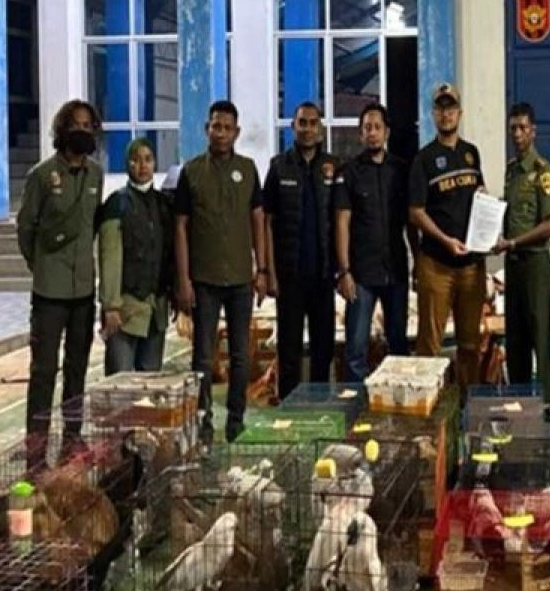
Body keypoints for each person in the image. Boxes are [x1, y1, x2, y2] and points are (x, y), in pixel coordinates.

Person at [174, 100, 268, 445]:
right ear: (207, 129)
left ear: (237, 132)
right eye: (216, 126)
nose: (221, 133)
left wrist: (262, 269)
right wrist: (183, 279)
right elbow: (180, 227)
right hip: (204, 280)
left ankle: (236, 418)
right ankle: (204, 420)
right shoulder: (191, 172)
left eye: (228, 128)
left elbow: (258, 220)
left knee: (241, 355)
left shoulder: (248, 170)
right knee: (202, 355)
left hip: (242, 278)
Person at [16, 99, 103, 465]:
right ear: (62, 129)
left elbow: (92, 226)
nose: (82, 131)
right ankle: (36, 452)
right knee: (43, 372)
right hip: (49, 292)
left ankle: (72, 439)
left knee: (77, 368)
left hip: (83, 289)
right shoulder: (41, 175)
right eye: (75, 125)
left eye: (88, 125)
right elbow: (26, 228)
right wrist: (40, 265)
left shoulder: (96, 175)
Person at [408, 83, 487, 388]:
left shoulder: (471, 153)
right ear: (433, 114)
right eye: (440, 108)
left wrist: (487, 207)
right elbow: (416, 212)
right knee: (430, 345)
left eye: (451, 108)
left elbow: (480, 194)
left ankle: (468, 404)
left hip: (471, 266)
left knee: (470, 345)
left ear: (459, 113)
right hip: (436, 264)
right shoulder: (424, 159)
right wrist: (445, 240)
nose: (446, 114)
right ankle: (428, 405)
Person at [334, 103, 418, 382]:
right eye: (367, 128)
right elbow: (342, 223)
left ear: (387, 132)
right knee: (356, 350)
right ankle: (355, 404)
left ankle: (397, 403)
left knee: (398, 347)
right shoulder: (349, 172)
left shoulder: (401, 170)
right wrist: (344, 271)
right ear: (360, 134)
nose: (372, 133)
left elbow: (411, 222)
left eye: (377, 127)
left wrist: (417, 262)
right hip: (361, 274)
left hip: (395, 271)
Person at [264, 102, 338, 399]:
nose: (307, 129)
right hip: (289, 277)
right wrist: (269, 272)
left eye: (312, 123)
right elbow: (266, 221)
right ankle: (289, 410)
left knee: (323, 350)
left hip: (323, 276)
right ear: (292, 127)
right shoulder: (278, 166)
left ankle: (320, 408)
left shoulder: (332, 167)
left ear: (320, 128)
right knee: (289, 351)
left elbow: (341, 219)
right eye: (302, 123)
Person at [494, 102, 550, 401]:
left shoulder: (542, 172)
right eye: (513, 129)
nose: (517, 134)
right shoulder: (511, 171)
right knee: (515, 338)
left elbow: (549, 226)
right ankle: (519, 403)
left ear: (533, 131)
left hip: (535, 264)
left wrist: (514, 243)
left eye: (522, 128)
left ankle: (546, 405)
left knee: (539, 338)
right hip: (514, 264)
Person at [97, 138, 174, 374]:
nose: (142, 165)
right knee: (119, 381)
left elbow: (170, 253)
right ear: (127, 164)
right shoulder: (116, 204)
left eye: (148, 159)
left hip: (156, 311)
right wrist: (111, 306)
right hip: (125, 311)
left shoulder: (163, 205)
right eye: (135, 160)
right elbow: (109, 258)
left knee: (150, 383)